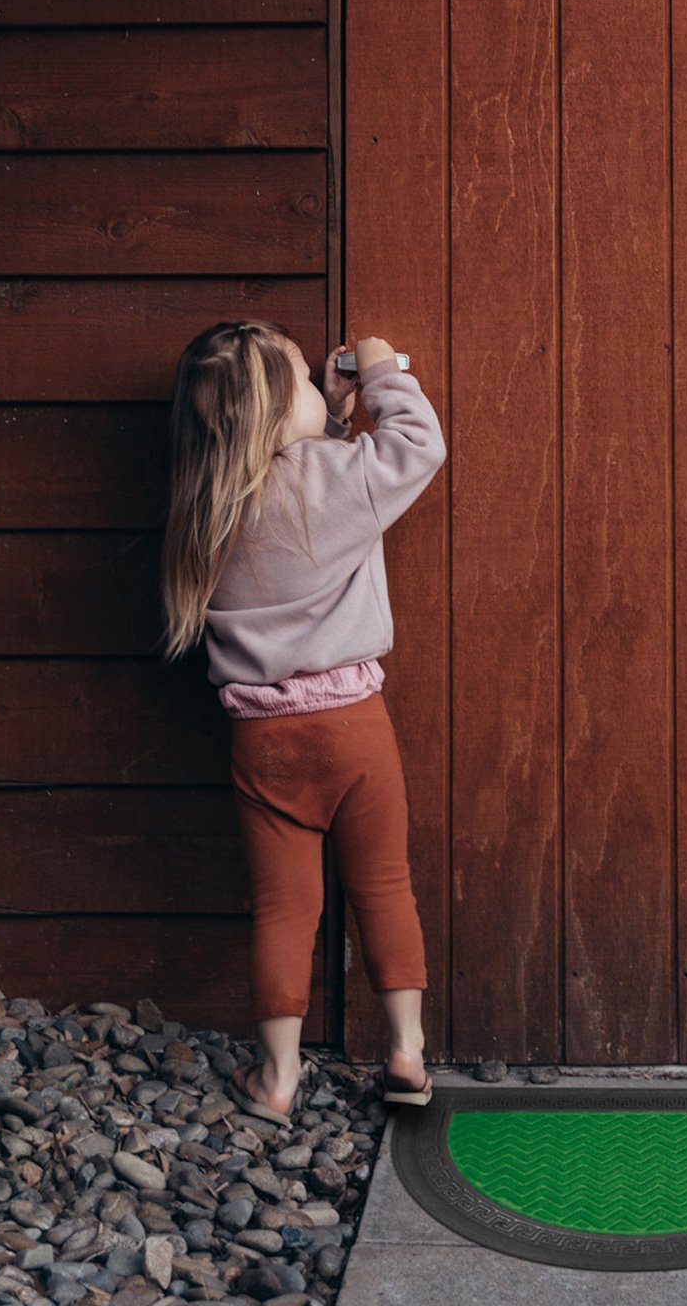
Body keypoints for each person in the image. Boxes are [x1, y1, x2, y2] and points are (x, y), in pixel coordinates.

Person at [159, 318, 446, 1125]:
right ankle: (406, 1053)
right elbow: (416, 449)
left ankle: (279, 1078)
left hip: (264, 741)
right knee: (382, 885)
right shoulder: (335, 480)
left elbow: (308, 487)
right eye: (305, 381)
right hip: (354, 728)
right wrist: (382, 377)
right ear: (282, 410)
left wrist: (338, 416)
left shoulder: (209, 499)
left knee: (285, 908)